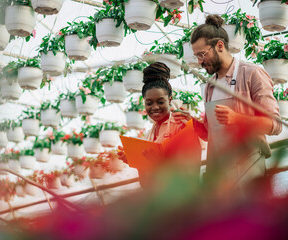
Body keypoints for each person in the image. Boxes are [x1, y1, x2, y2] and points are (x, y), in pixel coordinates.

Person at [173, 14, 282, 188]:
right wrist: (192, 123)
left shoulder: (252, 74)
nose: (200, 62)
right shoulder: (209, 86)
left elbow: (275, 125)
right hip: (220, 173)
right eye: (196, 57)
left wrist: (237, 118)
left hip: (249, 168)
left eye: (202, 54)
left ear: (220, 46)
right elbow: (212, 135)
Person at [118, 62, 193, 187]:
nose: (155, 107)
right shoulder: (150, 134)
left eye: (160, 101)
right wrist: (136, 161)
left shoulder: (180, 126)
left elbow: (189, 175)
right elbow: (147, 184)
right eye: (149, 103)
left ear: (170, 99)